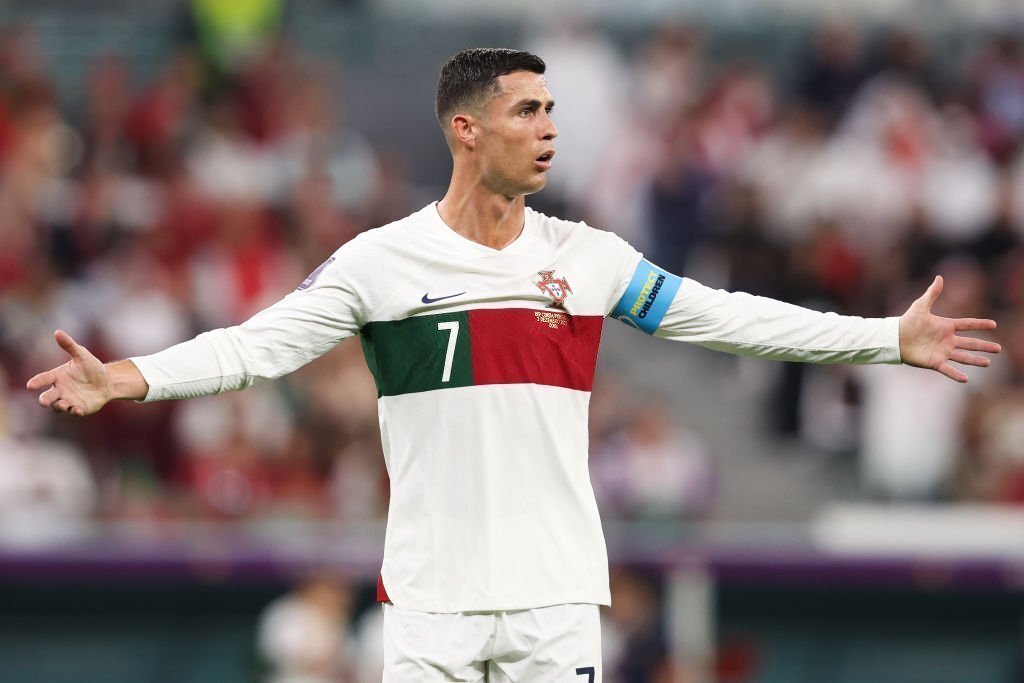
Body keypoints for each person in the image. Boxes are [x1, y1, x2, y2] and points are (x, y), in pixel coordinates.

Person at [27, 48, 1000, 681]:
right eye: (527, 111)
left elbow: (727, 318)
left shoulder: (589, 258)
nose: (549, 129)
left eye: (551, 110)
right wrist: (129, 377)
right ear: (466, 129)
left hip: (554, 598)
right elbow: (256, 346)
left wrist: (884, 337)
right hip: (430, 602)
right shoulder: (381, 262)